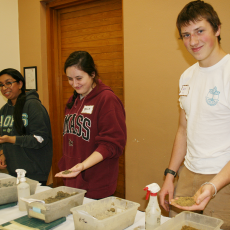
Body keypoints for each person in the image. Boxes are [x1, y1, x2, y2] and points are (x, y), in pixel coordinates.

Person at [159, 1, 230, 228]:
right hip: (188, 175)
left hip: (223, 179)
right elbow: (183, 129)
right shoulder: (186, 76)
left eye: (200, 31)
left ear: (217, 29)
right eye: (186, 35)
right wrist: (170, 176)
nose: (193, 41)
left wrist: (213, 185)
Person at [55, 51, 126, 199]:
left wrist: (82, 166)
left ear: (92, 74)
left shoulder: (107, 99)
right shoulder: (73, 100)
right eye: (70, 79)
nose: (74, 84)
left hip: (96, 183)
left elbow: (112, 144)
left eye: (79, 78)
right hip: (73, 180)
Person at [0, 68, 53, 185]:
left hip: (34, 171)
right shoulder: (4, 110)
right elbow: (2, 136)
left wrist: (11, 139)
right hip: (14, 170)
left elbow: (40, 138)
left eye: (8, 83)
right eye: (1, 85)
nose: (4, 88)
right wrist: (2, 152)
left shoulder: (33, 105)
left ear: (20, 84)